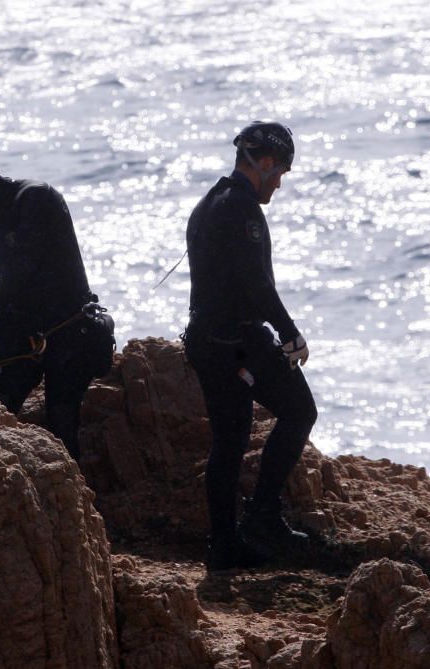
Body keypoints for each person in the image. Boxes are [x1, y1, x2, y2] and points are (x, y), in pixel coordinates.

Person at [184, 121, 318, 571]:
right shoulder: (240, 209)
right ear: (263, 164)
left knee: (230, 440)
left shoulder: (211, 202)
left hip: (209, 338)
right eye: (279, 172)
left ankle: (224, 546)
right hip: (234, 341)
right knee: (299, 410)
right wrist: (290, 332)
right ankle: (261, 518)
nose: (279, 183)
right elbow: (254, 284)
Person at [0, 144, 114, 460]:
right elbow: (13, 289)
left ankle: (73, 497)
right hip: (36, 331)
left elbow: (20, 275)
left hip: (72, 327)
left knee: (61, 419)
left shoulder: (35, 198)